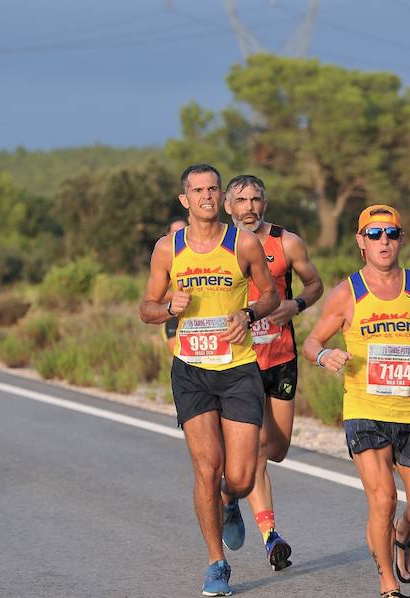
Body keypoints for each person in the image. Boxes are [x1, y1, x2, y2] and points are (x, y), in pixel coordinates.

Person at [302, 204, 410, 598]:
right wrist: (325, 356)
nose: (383, 241)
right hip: (364, 410)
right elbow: (312, 341)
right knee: (382, 498)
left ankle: (404, 533)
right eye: (374, 235)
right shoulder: (346, 293)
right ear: (361, 242)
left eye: (391, 233)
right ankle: (388, 585)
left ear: (401, 239)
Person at [140, 164, 279, 597]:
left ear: (221, 196)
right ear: (185, 199)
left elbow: (271, 292)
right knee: (206, 468)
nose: (205, 196)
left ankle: (229, 501)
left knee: (238, 477)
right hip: (191, 371)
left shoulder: (245, 243)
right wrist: (168, 309)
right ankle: (216, 563)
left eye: (212, 189)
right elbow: (146, 307)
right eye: (196, 190)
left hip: (237, 369)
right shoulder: (168, 249)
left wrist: (250, 313)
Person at [220, 174, 324, 571]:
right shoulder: (218, 247)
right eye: (241, 200)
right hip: (239, 362)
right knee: (257, 448)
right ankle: (270, 536)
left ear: (265, 202)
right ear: (228, 206)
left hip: (279, 356)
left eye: (255, 199)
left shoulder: (287, 242)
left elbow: (314, 284)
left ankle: (230, 496)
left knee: (277, 450)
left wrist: (295, 305)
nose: (249, 207)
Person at [162, 219, 188, 353]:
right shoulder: (166, 261)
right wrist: (177, 297)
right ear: (167, 235)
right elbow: (156, 298)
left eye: (184, 231)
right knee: (179, 359)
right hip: (174, 317)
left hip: (200, 318)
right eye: (175, 232)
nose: (180, 235)